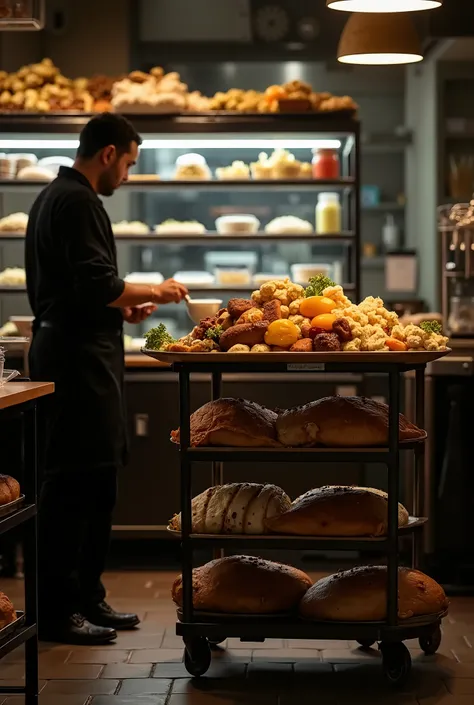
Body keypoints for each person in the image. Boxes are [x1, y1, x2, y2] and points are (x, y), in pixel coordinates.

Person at [25, 113, 187, 645]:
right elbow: (96, 281)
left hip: (81, 347)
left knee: (97, 480)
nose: (128, 177)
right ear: (110, 153)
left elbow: (82, 289)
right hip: (75, 359)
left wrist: (121, 309)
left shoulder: (58, 197)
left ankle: (86, 598)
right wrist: (153, 292)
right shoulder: (77, 201)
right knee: (72, 482)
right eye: (130, 165)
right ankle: (54, 610)